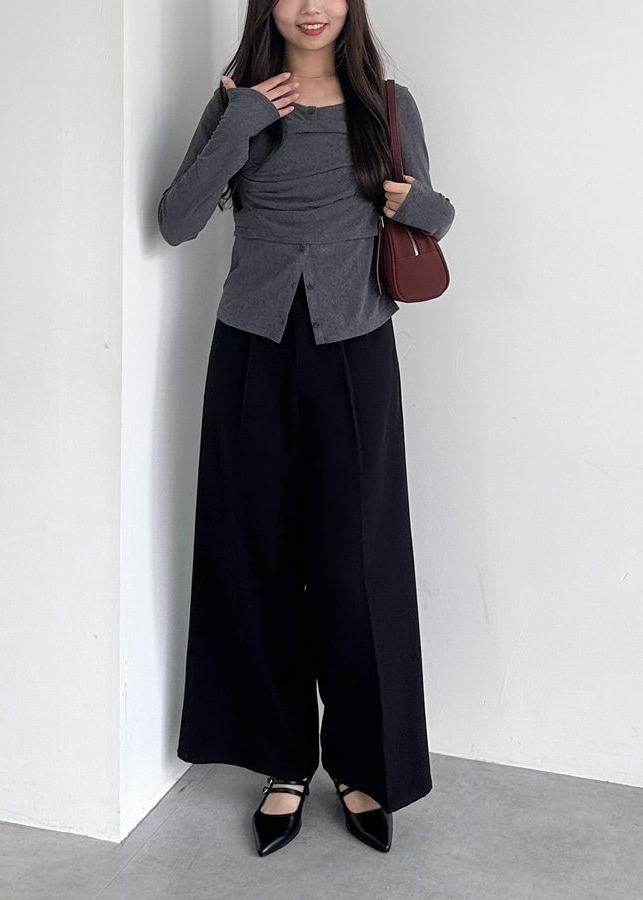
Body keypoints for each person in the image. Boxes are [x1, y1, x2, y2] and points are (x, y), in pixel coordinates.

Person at [157, 0, 455, 858]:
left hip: (356, 351)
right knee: (256, 556)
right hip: (251, 349)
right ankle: (282, 762)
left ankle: (363, 764)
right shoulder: (237, 101)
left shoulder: (387, 106)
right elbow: (177, 220)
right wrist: (241, 118)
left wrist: (423, 207)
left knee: (358, 563)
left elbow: (431, 214)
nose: (312, 6)